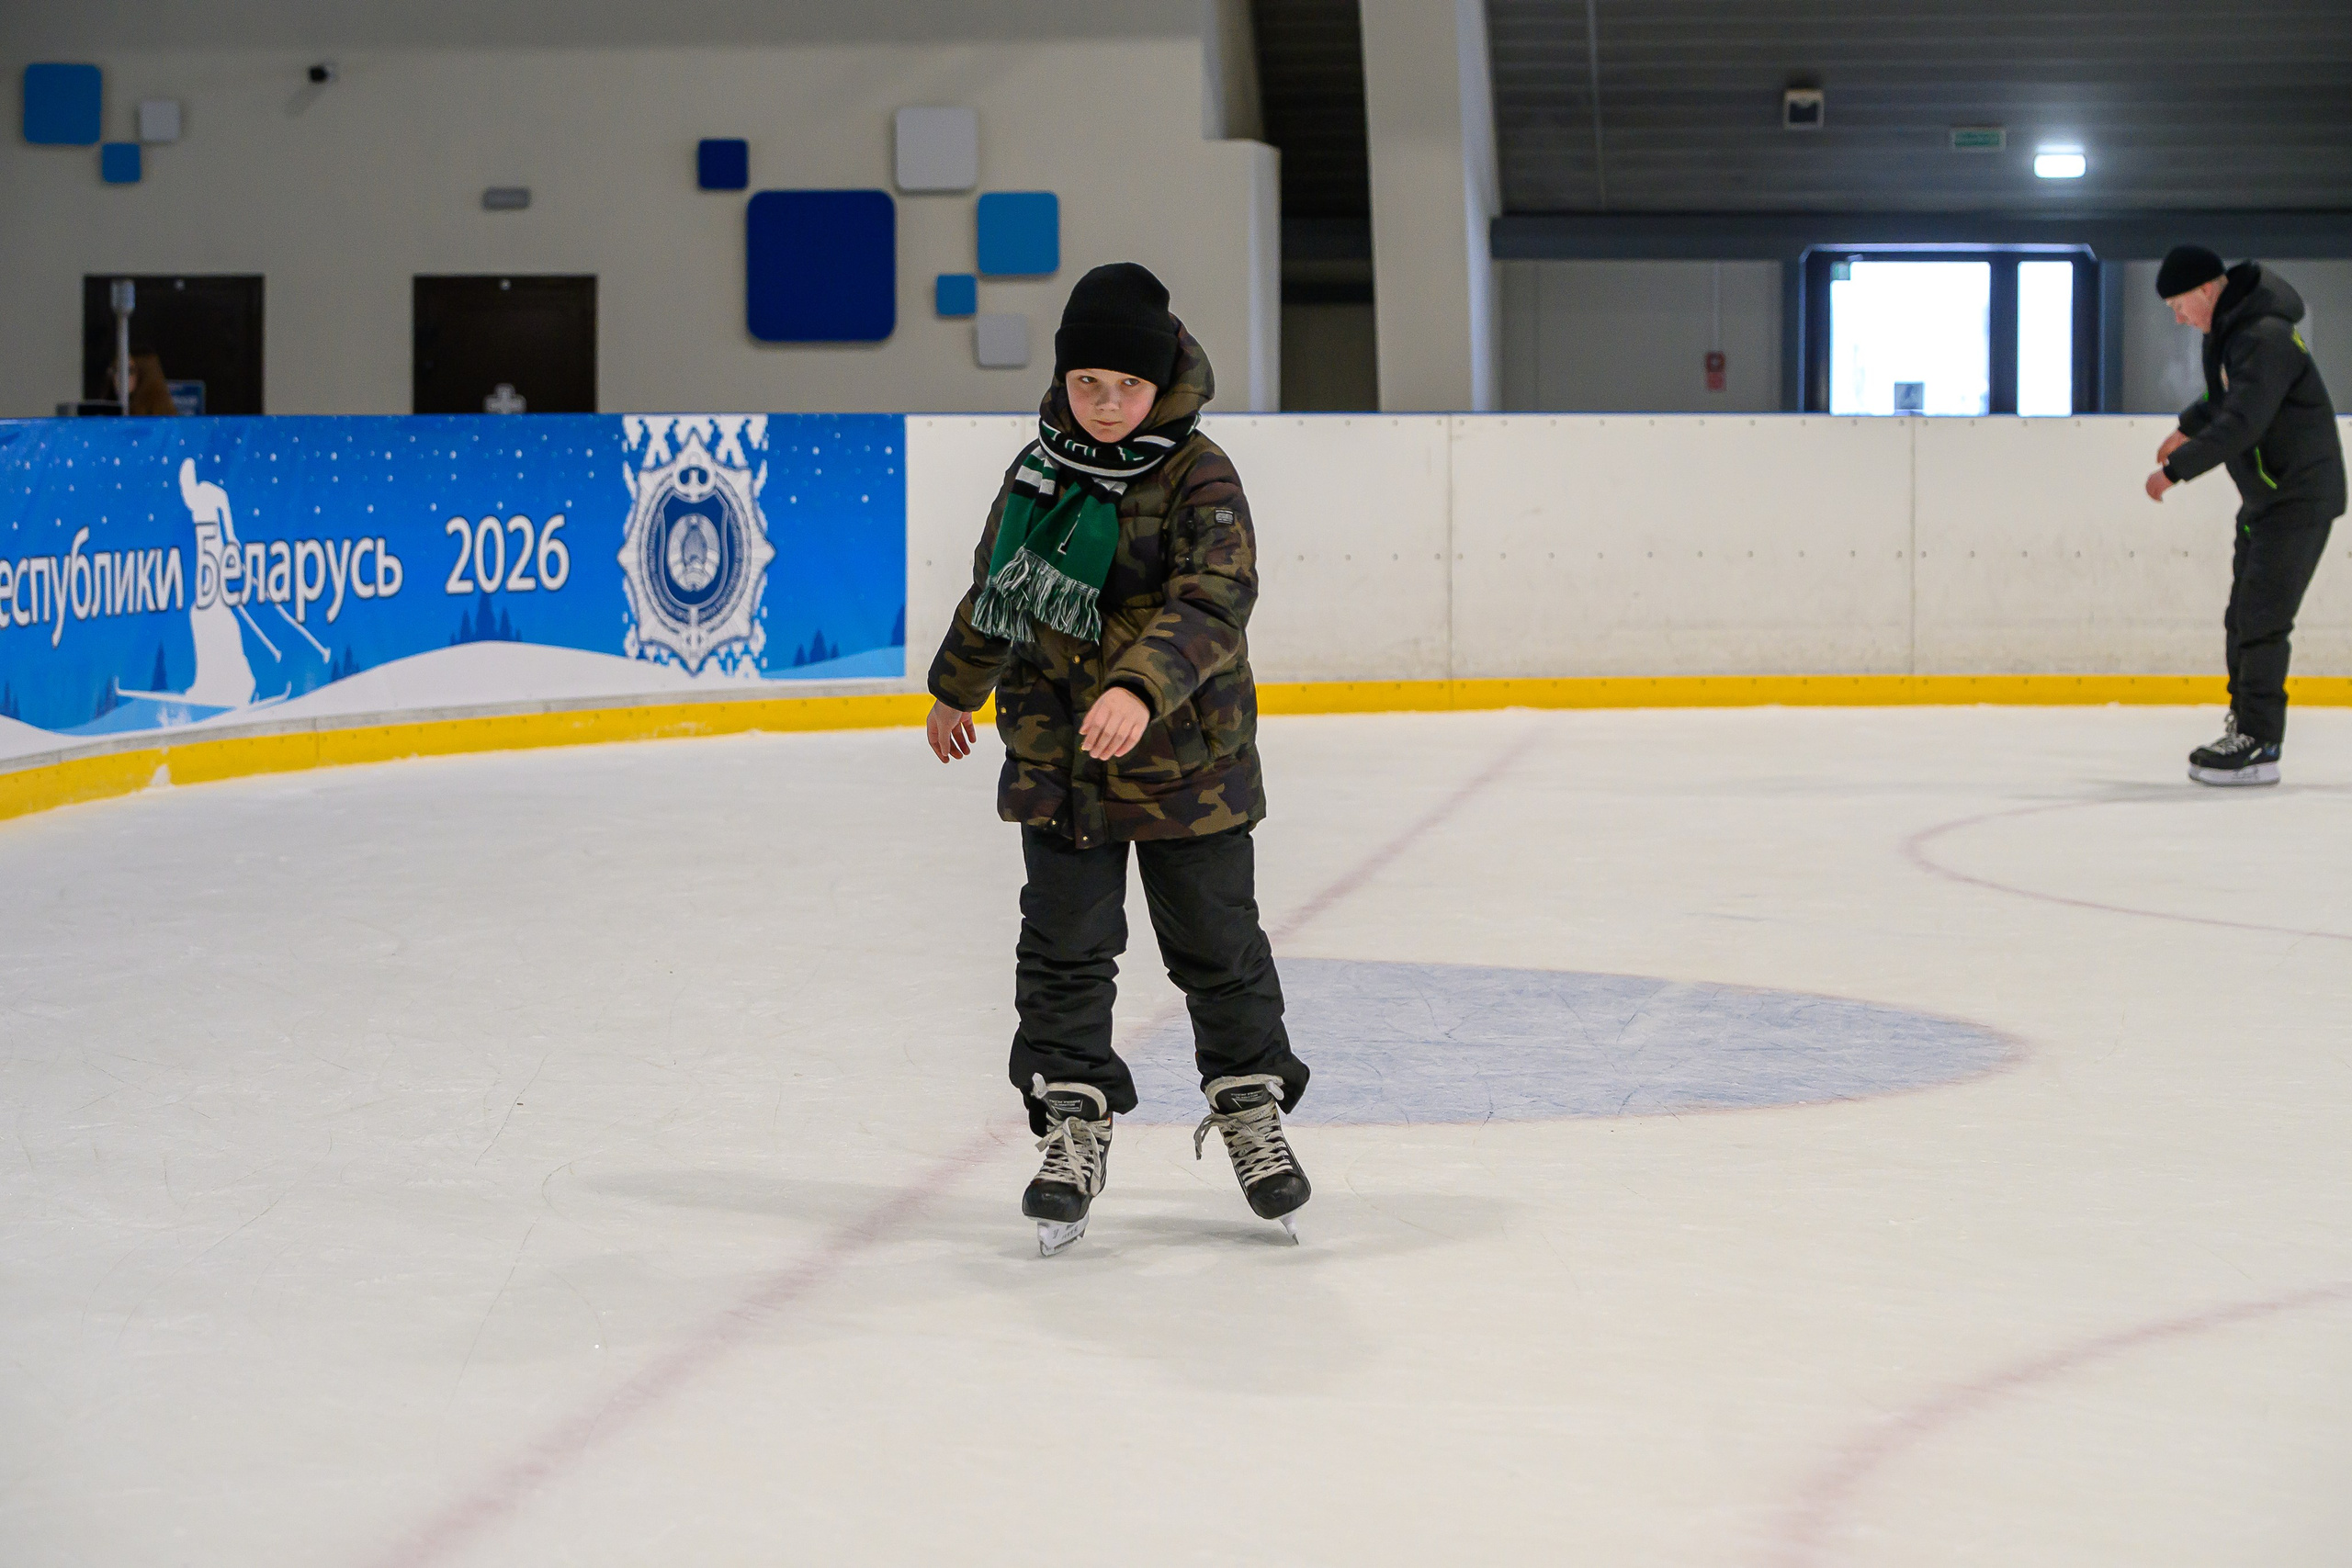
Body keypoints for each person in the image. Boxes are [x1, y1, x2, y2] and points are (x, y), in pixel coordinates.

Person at [923, 263, 1311, 1255]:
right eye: (1087, 383)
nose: (1104, 405)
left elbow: (1213, 600)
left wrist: (1139, 687)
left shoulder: (1201, 474)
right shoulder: (1037, 470)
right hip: (1061, 762)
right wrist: (954, 686)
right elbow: (998, 588)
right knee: (1062, 951)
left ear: (1162, 382)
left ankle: (1249, 1111)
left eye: (1126, 386)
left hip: (1191, 764)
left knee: (1217, 949)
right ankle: (1070, 1126)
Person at [2145, 247, 2344, 785]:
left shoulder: (2264, 335)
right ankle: (2247, 726)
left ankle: (2260, 741)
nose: (2177, 316)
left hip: (2297, 497)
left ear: (2208, 289)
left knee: (2262, 618)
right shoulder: (2235, 333)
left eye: (2179, 304)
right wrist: (2189, 423)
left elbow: (2245, 419)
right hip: (2269, 497)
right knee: (2243, 617)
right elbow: (2226, 396)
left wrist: (2178, 469)